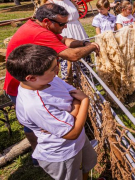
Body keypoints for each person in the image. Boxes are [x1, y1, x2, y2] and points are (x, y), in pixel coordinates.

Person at [3, 3, 100, 166]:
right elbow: (73, 56)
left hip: (37, 81)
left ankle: (60, 139)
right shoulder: (39, 33)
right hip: (26, 86)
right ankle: (40, 153)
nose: (65, 26)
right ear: (47, 21)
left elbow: (65, 41)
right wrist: (92, 46)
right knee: (39, 126)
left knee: (48, 121)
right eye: (62, 24)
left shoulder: (37, 25)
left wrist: (83, 43)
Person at [6, 44, 97, 179]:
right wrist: (84, 102)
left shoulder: (48, 80)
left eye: (57, 64)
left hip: (77, 142)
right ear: (31, 78)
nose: (57, 70)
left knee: (84, 167)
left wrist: (72, 114)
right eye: (53, 69)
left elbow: (72, 93)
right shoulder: (35, 105)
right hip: (63, 153)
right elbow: (72, 133)